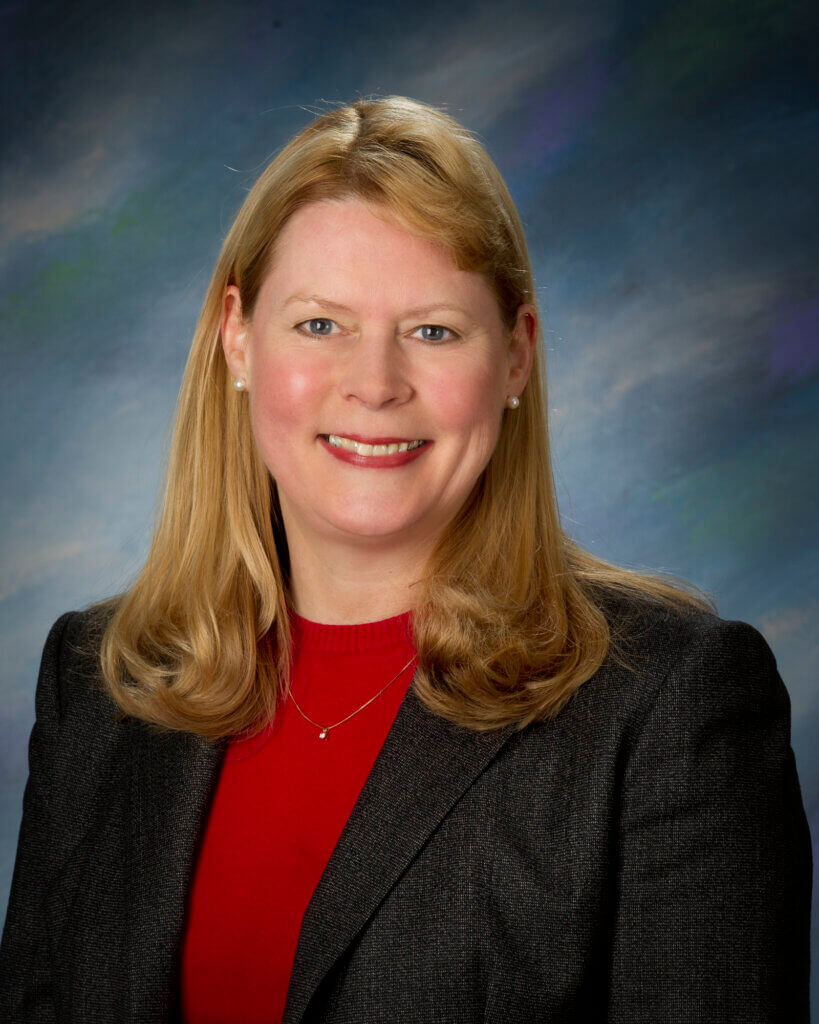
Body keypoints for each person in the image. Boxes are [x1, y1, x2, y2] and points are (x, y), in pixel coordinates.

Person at [0, 95, 811, 1023]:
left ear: (514, 357)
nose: (375, 384)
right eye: (319, 325)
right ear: (237, 339)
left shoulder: (668, 705)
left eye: (433, 330)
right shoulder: (97, 684)